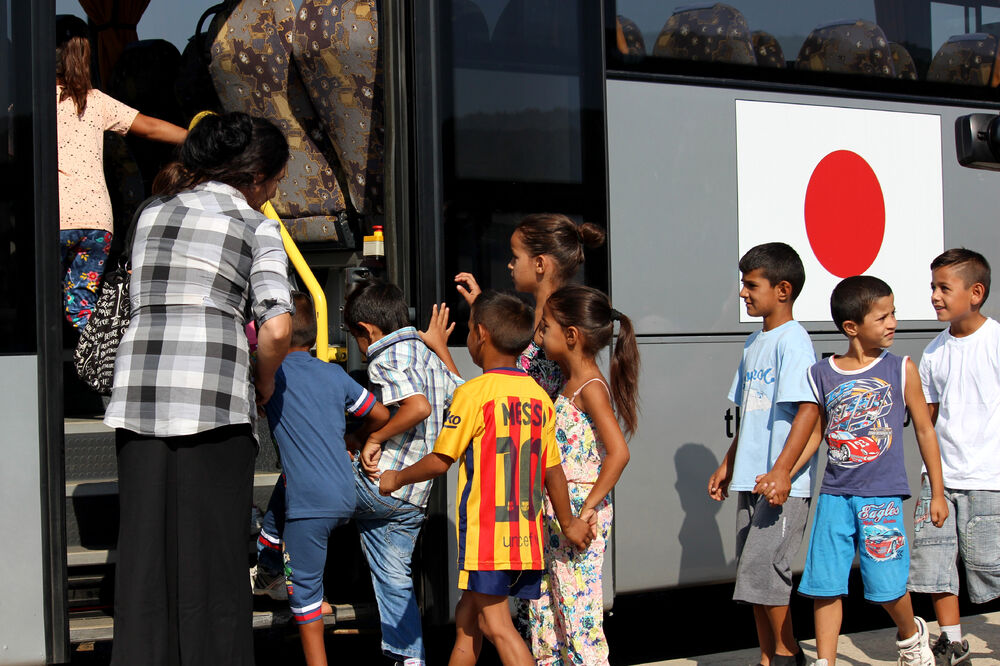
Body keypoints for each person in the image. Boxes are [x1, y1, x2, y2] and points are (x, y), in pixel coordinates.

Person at [104, 111, 293, 666]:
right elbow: (278, 327)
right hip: (213, 394)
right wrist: (265, 382)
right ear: (256, 175)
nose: (273, 192)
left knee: (145, 555)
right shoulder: (254, 224)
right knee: (213, 558)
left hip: (139, 392)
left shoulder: (151, 211)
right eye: (277, 180)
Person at [378, 291, 594, 666]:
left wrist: (396, 478)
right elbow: (552, 471)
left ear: (480, 334)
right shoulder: (538, 396)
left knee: (498, 627)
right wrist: (568, 521)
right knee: (468, 618)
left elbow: (440, 459)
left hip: (488, 537)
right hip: (525, 536)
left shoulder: (472, 395)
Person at [255, 280, 463, 666]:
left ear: (367, 331)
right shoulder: (427, 355)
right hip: (413, 497)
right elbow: (462, 395)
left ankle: (268, 551)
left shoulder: (388, 356)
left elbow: (417, 407)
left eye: (357, 339)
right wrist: (440, 348)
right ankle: (409, 659)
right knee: (394, 578)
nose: (361, 350)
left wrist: (373, 439)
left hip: (377, 483)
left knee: (305, 471)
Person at [775, 275, 948, 666]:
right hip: (834, 496)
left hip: (882, 498)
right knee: (824, 585)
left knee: (887, 588)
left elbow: (924, 429)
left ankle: (911, 635)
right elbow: (817, 435)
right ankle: (827, 661)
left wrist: (936, 492)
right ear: (851, 327)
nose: (893, 323)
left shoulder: (901, 368)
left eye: (893, 314)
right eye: (883, 317)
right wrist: (784, 471)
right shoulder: (821, 374)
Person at [263, 290, 390, 665]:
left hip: (309, 507)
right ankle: (269, 559)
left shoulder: (270, 372)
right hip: (342, 493)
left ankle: (289, 585)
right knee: (284, 489)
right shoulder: (333, 373)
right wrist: (353, 437)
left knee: (304, 603)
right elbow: (380, 415)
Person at [707, 242, 818, 666]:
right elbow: (751, 417)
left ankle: (788, 656)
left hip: (779, 485)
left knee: (765, 572)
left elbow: (809, 408)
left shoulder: (794, 341)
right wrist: (728, 463)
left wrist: (783, 471)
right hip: (750, 479)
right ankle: (770, 657)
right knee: (753, 579)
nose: (742, 293)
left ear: (783, 289)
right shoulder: (755, 342)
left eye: (751, 284)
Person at [525, 284, 638, 665]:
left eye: (545, 328)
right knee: (546, 610)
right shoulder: (565, 382)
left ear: (571, 336)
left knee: (577, 614)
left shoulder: (590, 388)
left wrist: (586, 510)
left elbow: (618, 454)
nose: (539, 337)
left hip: (578, 514)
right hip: (558, 512)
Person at [56, 30, 186, 331]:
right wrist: (196, 135)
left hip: (56, 219)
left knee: (38, 298)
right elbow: (150, 127)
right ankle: (92, 364)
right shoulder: (96, 101)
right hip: (97, 222)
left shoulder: (34, 102)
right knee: (81, 304)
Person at [907, 249, 999, 666]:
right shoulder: (933, 352)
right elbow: (928, 418)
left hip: (988, 477)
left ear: (975, 293)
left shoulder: (996, 341)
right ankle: (952, 641)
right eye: (933, 287)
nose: (935, 296)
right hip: (940, 478)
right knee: (936, 562)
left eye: (944, 287)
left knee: (989, 565)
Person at [454, 213, 606, 398]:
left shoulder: (562, 322)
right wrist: (483, 311)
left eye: (515, 257)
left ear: (540, 264)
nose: (510, 265)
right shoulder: (534, 316)